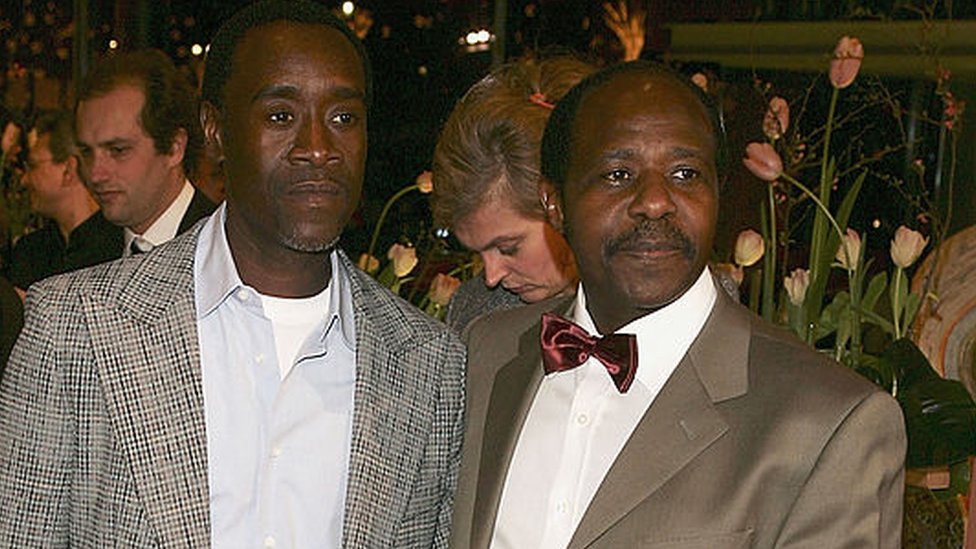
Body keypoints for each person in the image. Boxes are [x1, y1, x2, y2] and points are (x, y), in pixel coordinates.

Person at [0, 1, 465, 547]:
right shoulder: (74, 325)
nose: (318, 148)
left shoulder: (431, 365)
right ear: (215, 133)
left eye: (343, 118)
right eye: (279, 116)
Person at [451, 61, 906, 548]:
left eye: (685, 173)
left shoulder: (830, 423)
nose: (655, 201)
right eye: (618, 174)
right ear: (554, 202)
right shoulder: (490, 353)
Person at [432, 55, 593, 333]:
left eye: (508, 248)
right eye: (478, 253)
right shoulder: (476, 312)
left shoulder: (670, 304)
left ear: (568, 205)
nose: (492, 276)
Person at [75, 48, 215, 256]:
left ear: (174, 148)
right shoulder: (83, 246)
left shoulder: (225, 249)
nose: (96, 174)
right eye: (87, 152)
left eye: (118, 150)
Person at [5, 110, 121, 294]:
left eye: (33, 166)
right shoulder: (29, 251)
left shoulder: (120, 248)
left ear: (69, 169)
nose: (24, 179)